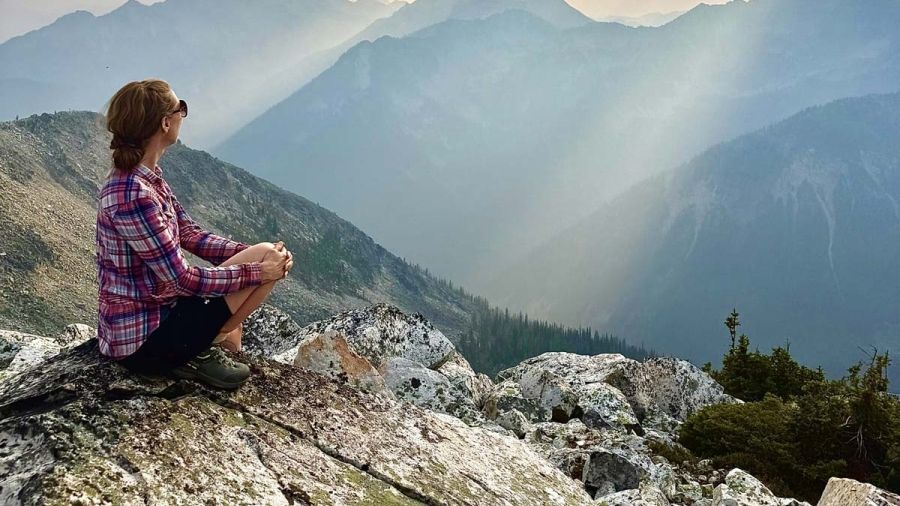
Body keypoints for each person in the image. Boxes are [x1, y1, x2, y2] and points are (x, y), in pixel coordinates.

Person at [96, 79, 293, 389]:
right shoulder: (132, 195)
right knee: (264, 268)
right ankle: (193, 354)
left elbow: (189, 233)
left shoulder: (146, 179)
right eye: (181, 108)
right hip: (144, 341)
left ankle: (206, 343)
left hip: (157, 313)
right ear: (164, 123)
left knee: (268, 256)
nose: (182, 116)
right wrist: (258, 269)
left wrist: (256, 252)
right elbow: (182, 280)